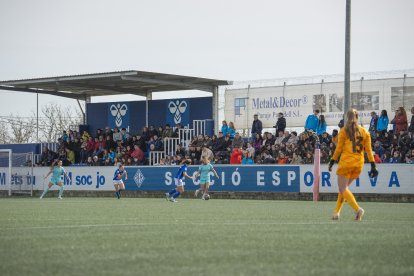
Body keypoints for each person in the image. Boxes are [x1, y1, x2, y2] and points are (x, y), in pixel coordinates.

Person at [328, 109, 378, 221]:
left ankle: (357, 209)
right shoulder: (365, 132)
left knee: (342, 188)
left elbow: (339, 149)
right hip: (359, 164)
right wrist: (373, 165)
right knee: (344, 190)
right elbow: (369, 150)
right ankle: (336, 213)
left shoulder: (344, 131)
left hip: (346, 162)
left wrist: (332, 161)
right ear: (357, 117)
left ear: (347, 118)